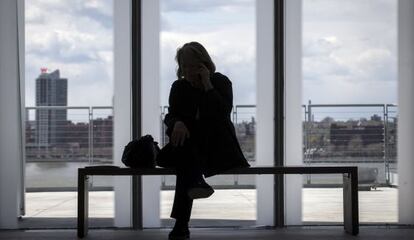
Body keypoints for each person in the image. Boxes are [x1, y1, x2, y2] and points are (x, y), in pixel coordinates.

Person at [161, 42, 250, 240]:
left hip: (216, 146)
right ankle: (196, 183)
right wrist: (177, 123)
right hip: (189, 145)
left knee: (186, 161)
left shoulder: (220, 82)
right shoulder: (179, 87)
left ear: (205, 64)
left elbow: (222, 113)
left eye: (194, 65)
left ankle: (181, 225)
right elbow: (171, 115)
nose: (189, 70)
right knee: (186, 153)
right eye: (185, 66)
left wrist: (208, 85)